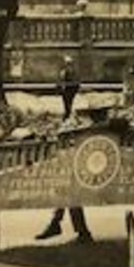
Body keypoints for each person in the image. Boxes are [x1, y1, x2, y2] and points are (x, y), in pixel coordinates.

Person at [34, 98, 106, 242]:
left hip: (91, 175)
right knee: (68, 187)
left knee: (69, 188)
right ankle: (63, 226)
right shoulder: (101, 130)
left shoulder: (90, 131)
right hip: (96, 174)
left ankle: (72, 229)